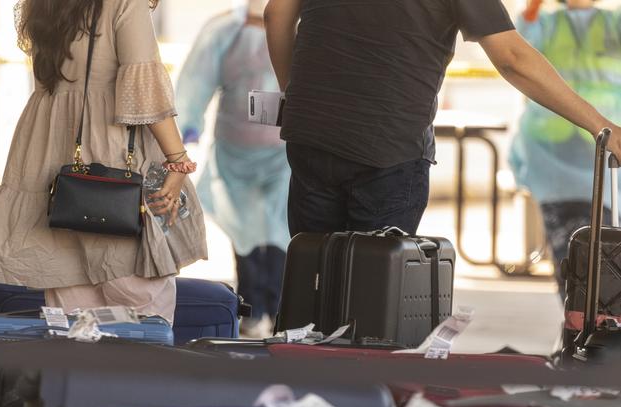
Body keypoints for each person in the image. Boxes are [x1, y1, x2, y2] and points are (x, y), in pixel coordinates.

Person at [263, 0, 621, 240]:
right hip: (387, 149)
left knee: (311, 281)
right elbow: (512, 57)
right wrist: (599, 124)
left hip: (310, 139)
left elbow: (275, 13)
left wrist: (295, 96)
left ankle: (302, 352)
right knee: (369, 302)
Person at [0, 0, 208, 323]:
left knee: (72, 320)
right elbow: (142, 88)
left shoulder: (44, 4)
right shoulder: (125, 3)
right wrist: (177, 159)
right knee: (142, 311)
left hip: (53, 159)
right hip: (112, 164)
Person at [175, 0, 290, 335]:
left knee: (281, 232)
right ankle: (254, 308)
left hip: (284, 153)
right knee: (246, 234)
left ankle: (279, 308)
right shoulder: (225, 30)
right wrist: (188, 127)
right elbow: (197, 79)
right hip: (236, 152)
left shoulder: (303, 26)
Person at [509, 0, 621, 299]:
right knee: (568, 251)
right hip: (551, 155)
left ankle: (596, 324)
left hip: (604, 154)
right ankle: (574, 325)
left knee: (605, 250)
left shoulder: (612, 23)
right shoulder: (546, 23)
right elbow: (519, 40)